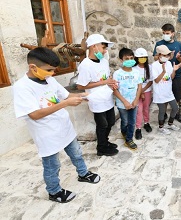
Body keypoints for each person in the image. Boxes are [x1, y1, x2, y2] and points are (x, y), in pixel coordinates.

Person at [13, 47, 100, 203]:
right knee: (52, 165)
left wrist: (82, 96)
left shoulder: (49, 79)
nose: (52, 73)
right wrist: (65, 103)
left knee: (77, 153)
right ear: (33, 67)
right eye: (49, 70)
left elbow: (66, 96)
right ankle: (54, 191)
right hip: (46, 133)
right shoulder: (22, 87)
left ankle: (83, 173)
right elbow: (34, 114)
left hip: (64, 127)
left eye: (54, 70)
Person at [77, 33, 119, 156]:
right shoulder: (85, 65)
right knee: (102, 124)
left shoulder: (103, 61)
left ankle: (105, 142)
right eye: (103, 47)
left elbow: (107, 77)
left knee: (111, 121)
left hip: (107, 97)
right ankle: (101, 148)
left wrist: (111, 82)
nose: (105, 51)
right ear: (94, 47)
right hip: (97, 99)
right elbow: (81, 86)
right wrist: (103, 82)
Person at [153, 24, 181, 123]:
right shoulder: (159, 44)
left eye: (167, 33)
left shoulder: (178, 45)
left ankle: (177, 113)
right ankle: (164, 113)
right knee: (164, 95)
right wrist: (163, 56)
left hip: (175, 74)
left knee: (176, 96)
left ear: (172, 34)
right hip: (163, 75)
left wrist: (178, 57)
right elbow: (155, 57)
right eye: (163, 33)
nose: (165, 35)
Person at [113, 48, 142, 150]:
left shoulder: (136, 73)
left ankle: (129, 139)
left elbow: (139, 87)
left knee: (132, 122)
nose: (129, 60)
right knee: (124, 121)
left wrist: (136, 100)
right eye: (126, 58)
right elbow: (115, 90)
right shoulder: (117, 74)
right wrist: (124, 102)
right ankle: (124, 132)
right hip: (122, 104)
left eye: (131, 58)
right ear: (121, 59)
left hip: (134, 103)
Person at [152, 45, 181, 135]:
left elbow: (171, 78)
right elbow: (156, 80)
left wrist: (174, 70)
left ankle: (170, 123)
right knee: (162, 110)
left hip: (168, 92)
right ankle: (161, 127)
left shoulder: (169, 63)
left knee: (175, 108)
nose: (167, 57)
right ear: (160, 55)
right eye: (165, 55)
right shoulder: (154, 65)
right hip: (159, 93)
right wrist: (163, 72)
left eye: (168, 55)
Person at [133, 47, 153, 139]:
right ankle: (138, 128)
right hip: (136, 93)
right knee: (139, 110)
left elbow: (150, 81)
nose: (142, 59)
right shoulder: (134, 69)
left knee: (146, 108)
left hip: (147, 91)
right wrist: (140, 92)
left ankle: (146, 122)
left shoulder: (149, 68)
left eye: (144, 57)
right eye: (140, 57)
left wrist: (143, 90)